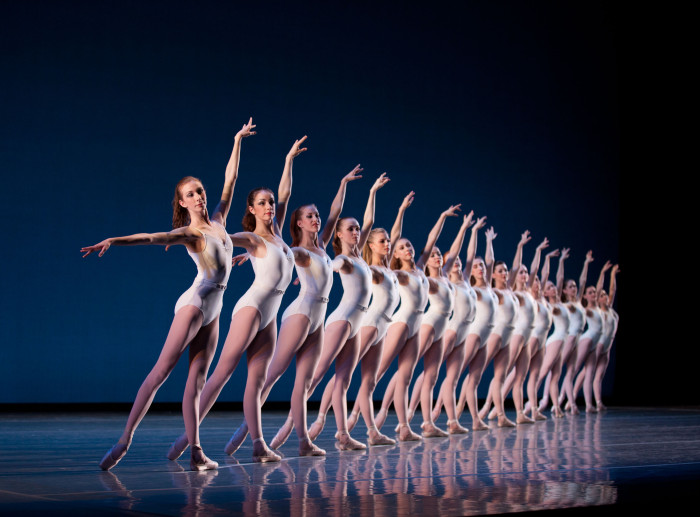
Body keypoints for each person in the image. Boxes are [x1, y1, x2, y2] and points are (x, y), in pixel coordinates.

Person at [81, 118, 256, 471]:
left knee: (197, 381)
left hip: (214, 309)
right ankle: (125, 439)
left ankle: (195, 450)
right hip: (194, 305)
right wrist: (114, 240)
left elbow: (231, 181)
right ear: (182, 201)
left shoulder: (220, 221)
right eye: (190, 193)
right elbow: (151, 237)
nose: (198, 196)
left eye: (200, 190)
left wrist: (237, 140)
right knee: (161, 371)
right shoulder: (190, 234)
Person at [167, 135, 307, 463]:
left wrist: (288, 159)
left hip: (270, 315)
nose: (270, 206)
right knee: (222, 373)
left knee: (256, 382)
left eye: (271, 203)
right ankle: (186, 439)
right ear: (251, 209)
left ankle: (258, 445)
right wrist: (202, 243)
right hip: (252, 308)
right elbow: (218, 238)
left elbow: (285, 193)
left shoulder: (281, 237)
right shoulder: (252, 237)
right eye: (262, 202)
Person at [218, 165, 365, 457]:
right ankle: (245, 430)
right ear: (298, 223)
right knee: (272, 375)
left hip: (318, 319)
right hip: (300, 313)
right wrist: (248, 255)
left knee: (304, 382)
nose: (316, 218)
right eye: (309, 216)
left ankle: (303, 441)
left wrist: (343, 182)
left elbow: (335, 212)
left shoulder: (322, 245)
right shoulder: (297, 250)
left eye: (316, 215)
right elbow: (272, 251)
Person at [269, 173, 391, 451]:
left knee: (344, 381)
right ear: (339, 233)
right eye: (351, 229)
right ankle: (289, 426)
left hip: (357, 323)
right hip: (342, 320)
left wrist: (361, 188)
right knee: (315, 376)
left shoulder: (360, 257)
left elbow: (366, 221)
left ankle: (343, 434)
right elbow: (332, 265)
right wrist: (321, 268)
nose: (357, 232)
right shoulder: (342, 259)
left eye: (358, 229)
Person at [309, 192, 416, 446]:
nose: (388, 243)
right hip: (368, 324)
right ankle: (321, 418)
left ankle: (371, 431)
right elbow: (338, 262)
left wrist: (400, 210)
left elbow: (393, 232)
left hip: (382, 327)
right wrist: (371, 193)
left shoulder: (388, 268)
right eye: (382, 241)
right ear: (370, 244)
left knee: (368, 381)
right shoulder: (372, 269)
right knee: (340, 376)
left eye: (389, 241)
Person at [372, 204, 462, 441]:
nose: (406, 248)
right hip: (405, 323)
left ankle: (410, 426)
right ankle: (359, 419)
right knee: (379, 371)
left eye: (408, 245)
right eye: (401, 247)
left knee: (420, 376)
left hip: (429, 325)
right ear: (396, 254)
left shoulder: (421, 270)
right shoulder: (400, 275)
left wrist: (442, 215)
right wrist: (400, 211)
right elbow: (390, 243)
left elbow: (432, 240)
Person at [404, 212, 475, 437]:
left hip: (450, 328)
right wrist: (441, 217)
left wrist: (463, 228)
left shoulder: (445, 275)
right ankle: (400, 416)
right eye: (433, 254)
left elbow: (455, 252)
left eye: (439, 255)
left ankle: (435, 422)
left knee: (434, 377)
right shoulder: (429, 279)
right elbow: (430, 242)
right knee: (410, 370)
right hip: (433, 324)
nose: (437, 256)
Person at [429, 215, 487, 433]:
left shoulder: (464, 280)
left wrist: (471, 230)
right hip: (452, 330)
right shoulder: (446, 281)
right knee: (430, 375)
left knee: (452, 379)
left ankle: (452, 421)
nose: (459, 263)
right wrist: (462, 229)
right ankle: (418, 412)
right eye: (454, 262)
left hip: (465, 332)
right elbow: (454, 254)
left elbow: (470, 256)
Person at [474, 230, 531, 428]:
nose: (505, 273)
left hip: (509, 336)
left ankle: (500, 415)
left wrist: (520, 246)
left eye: (506, 271)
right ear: (494, 275)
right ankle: (456, 410)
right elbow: (489, 263)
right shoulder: (494, 290)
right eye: (501, 271)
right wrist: (488, 241)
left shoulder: (510, 289)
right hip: (496, 334)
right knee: (476, 374)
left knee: (500, 376)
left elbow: (516, 266)